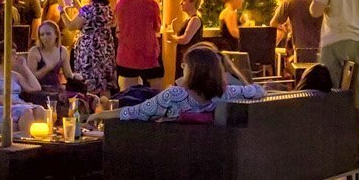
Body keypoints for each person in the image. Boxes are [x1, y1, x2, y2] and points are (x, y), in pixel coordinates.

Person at [100, 44, 264, 122]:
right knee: (138, 92)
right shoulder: (226, 93)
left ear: (192, 70)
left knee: (137, 93)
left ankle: (103, 104)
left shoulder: (175, 95)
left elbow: (135, 112)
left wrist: (99, 116)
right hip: (211, 151)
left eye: (185, 66)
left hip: (174, 150)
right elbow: (258, 91)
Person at [113, 0, 163, 88]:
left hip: (126, 54)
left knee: (128, 91)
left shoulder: (121, 1)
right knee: (155, 89)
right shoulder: (151, 3)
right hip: (148, 53)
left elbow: (117, 23)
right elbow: (157, 27)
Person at [72, 0, 117, 95]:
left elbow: (72, 25)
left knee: (90, 84)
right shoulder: (108, 9)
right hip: (105, 49)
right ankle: (106, 105)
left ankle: (90, 104)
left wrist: (62, 11)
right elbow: (92, 19)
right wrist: (78, 7)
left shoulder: (88, 9)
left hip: (90, 51)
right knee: (104, 85)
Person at [0, 54, 44, 128]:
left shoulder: (14, 75)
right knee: (26, 111)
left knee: (40, 109)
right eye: (13, 54)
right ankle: (26, 135)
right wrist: (19, 103)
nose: (16, 57)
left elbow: (36, 87)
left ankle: (38, 135)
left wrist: (25, 67)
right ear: (3, 56)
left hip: (17, 106)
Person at [270, 0, 320, 64]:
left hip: (301, 48)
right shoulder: (319, 0)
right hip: (321, 47)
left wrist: (282, 27)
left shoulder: (289, 2)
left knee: (302, 71)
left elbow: (273, 23)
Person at [25, 19, 73, 90]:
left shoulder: (62, 51)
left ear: (56, 35)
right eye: (42, 35)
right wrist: (46, 69)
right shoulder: (35, 51)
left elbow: (68, 75)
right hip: (38, 89)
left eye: (48, 34)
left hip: (56, 88)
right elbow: (30, 78)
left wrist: (76, 77)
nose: (45, 37)